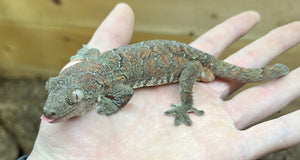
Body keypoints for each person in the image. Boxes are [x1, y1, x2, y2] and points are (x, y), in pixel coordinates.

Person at [25, 3, 300, 160]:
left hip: (192, 63)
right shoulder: (93, 65)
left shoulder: (107, 81)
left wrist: (109, 103)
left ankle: (190, 103)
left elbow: (124, 94)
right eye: (54, 86)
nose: (48, 109)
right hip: (177, 54)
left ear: (90, 89)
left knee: (188, 81)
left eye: (75, 98)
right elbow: (93, 54)